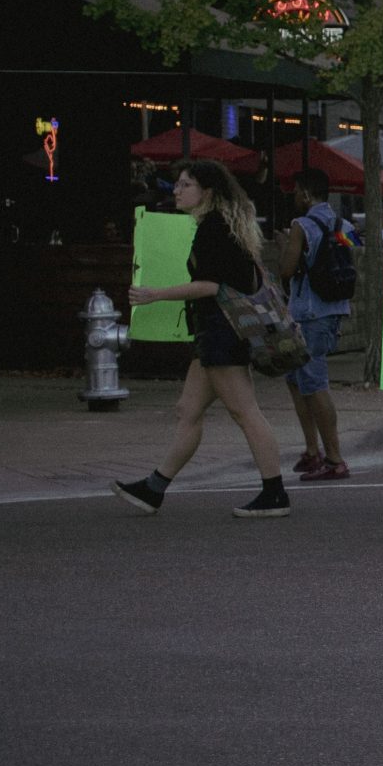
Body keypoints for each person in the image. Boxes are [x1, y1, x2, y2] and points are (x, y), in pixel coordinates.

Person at [112, 160, 292, 518]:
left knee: (245, 412)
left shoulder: (214, 227)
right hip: (215, 332)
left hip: (223, 331)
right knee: (188, 410)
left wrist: (155, 295)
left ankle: (275, 493)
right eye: (177, 185)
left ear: (206, 192)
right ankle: (154, 489)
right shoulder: (222, 225)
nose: (176, 191)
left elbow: (212, 285)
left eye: (185, 185)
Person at [271, 170, 353, 482]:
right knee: (296, 380)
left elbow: (287, 269)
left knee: (314, 383)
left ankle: (334, 458)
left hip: (308, 313)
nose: (293, 197)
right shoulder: (342, 224)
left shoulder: (301, 225)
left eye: (295, 191)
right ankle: (311, 451)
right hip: (333, 309)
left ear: (305, 193)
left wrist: (284, 245)